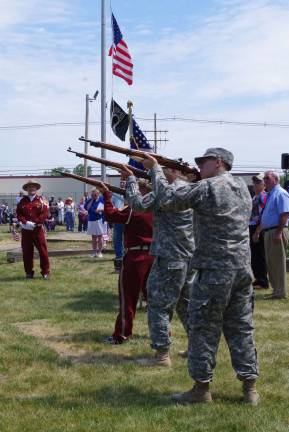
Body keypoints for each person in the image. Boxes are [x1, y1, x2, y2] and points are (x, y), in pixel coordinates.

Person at [142, 148, 259, 406]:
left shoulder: (208, 188)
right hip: (242, 270)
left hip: (214, 271)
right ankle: (250, 388)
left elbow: (168, 200)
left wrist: (155, 170)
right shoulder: (242, 187)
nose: (198, 167)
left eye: (203, 162)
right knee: (241, 328)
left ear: (218, 163)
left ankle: (201, 389)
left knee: (203, 329)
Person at [123, 168, 195, 367]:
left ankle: (162, 354)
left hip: (169, 256)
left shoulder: (166, 191)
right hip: (189, 255)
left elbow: (137, 204)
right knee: (186, 304)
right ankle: (196, 348)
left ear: (173, 170)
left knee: (157, 304)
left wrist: (130, 179)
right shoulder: (191, 189)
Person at [97, 181, 154, 344]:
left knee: (128, 298)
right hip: (154, 255)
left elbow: (110, 215)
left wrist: (106, 195)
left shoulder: (136, 209)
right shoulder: (158, 207)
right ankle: (161, 333)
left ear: (143, 191)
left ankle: (121, 334)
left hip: (136, 256)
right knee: (155, 299)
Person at [253, 171, 289, 299]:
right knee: (271, 263)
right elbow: (266, 216)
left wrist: (279, 233)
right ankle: (276, 290)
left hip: (276, 231)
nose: (265, 181)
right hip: (268, 231)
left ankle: (280, 292)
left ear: (275, 179)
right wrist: (258, 231)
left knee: (277, 262)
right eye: (264, 179)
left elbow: (284, 214)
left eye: (267, 178)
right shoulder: (270, 194)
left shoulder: (281, 193)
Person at [16, 180, 50, 279]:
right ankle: (29, 272)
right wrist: (25, 222)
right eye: (29, 187)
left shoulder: (42, 200)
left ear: (36, 188)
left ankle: (45, 272)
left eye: (33, 187)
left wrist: (36, 223)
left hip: (38, 230)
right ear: (26, 189)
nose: (31, 188)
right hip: (26, 231)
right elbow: (19, 214)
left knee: (43, 252)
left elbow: (45, 213)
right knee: (27, 252)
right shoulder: (22, 201)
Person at [249, 175, 269, 290]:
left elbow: (264, 215)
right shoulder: (255, 197)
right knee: (254, 255)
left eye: (258, 182)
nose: (255, 184)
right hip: (252, 226)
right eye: (254, 182)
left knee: (260, 255)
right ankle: (258, 279)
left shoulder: (263, 196)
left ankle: (263, 281)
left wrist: (258, 231)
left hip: (258, 227)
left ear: (264, 185)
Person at [84, 189, 104, 258]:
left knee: (100, 236)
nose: (94, 196)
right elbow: (86, 208)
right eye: (92, 195)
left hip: (99, 220)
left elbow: (106, 208)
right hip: (91, 220)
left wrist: (101, 210)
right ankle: (94, 252)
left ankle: (100, 252)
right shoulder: (90, 200)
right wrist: (92, 200)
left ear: (98, 194)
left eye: (95, 195)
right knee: (93, 237)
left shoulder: (102, 199)